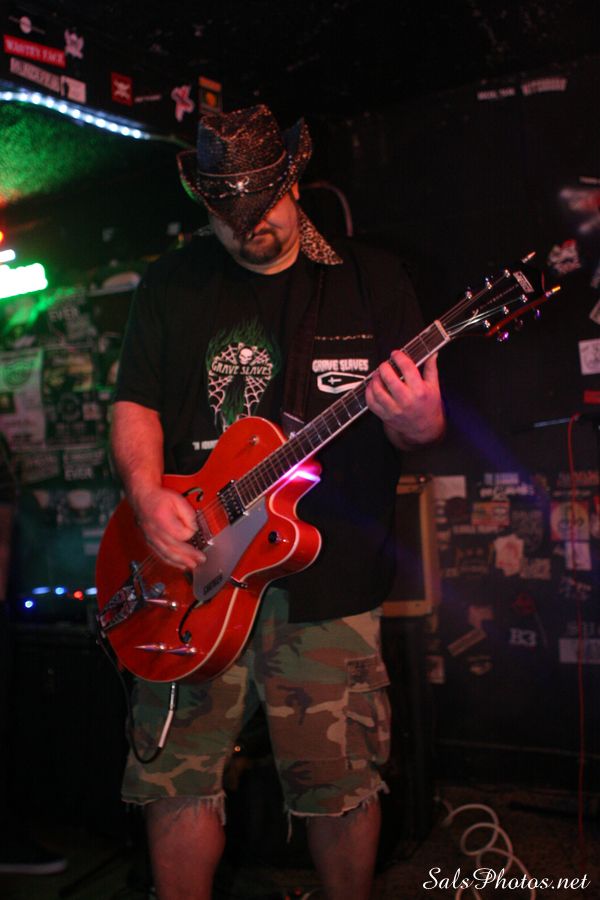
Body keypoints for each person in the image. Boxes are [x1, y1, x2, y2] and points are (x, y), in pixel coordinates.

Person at [111, 104, 444, 900]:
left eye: (260, 209)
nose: (247, 228)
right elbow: (135, 403)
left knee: (340, 783)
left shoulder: (370, 280)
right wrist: (147, 494)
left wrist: (419, 419)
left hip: (327, 581)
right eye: (226, 217)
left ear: (293, 181)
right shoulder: (171, 282)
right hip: (192, 575)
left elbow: (423, 427)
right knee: (177, 779)